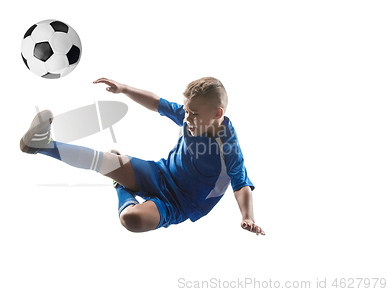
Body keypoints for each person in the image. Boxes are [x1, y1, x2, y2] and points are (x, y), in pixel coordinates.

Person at [20, 77, 265, 235]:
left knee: (130, 220)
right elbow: (158, 103)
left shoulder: (229, 147)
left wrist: (247, 218)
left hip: (179, 203)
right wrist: (124, 88)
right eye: (186, 111)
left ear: (217, 113)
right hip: (158, 173)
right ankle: (41, 145)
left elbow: (241, 184)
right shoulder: (191, 116)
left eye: (193, 114)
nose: (187, 118)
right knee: (105, 161)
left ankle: (120, 185)